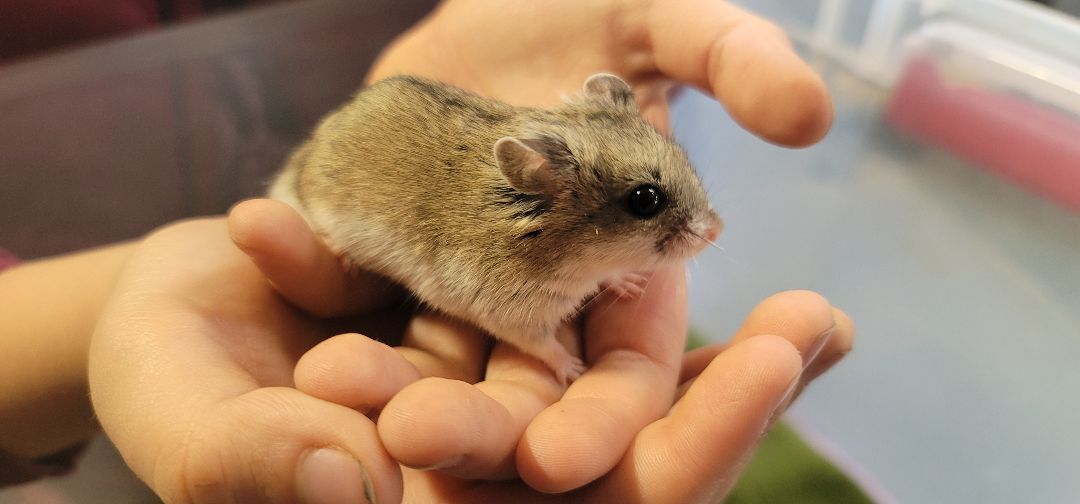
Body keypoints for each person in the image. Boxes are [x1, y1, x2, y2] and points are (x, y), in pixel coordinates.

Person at [0, 0, 854, 502]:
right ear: (543, 187)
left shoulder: (576, 192)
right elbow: (482, 293)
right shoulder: (514, 251)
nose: (696, 230)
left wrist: (625, 259)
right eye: (647, 205)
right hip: (330, 186)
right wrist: (547, 347)